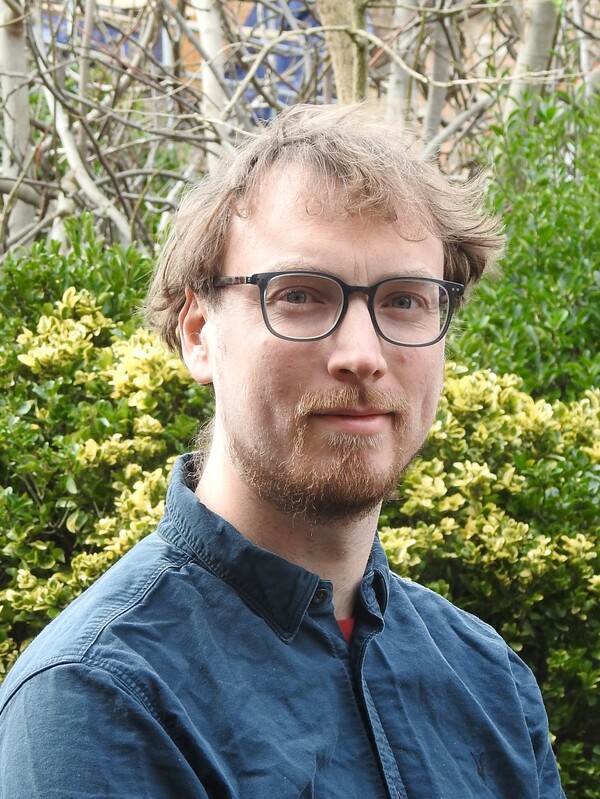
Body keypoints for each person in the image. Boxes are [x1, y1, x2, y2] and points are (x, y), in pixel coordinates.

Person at [0, 104, 565, 799]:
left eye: (405, 301)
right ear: (199, 333)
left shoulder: (493, 684)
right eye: (299, 295)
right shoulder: (98, 697)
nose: (362, 355)